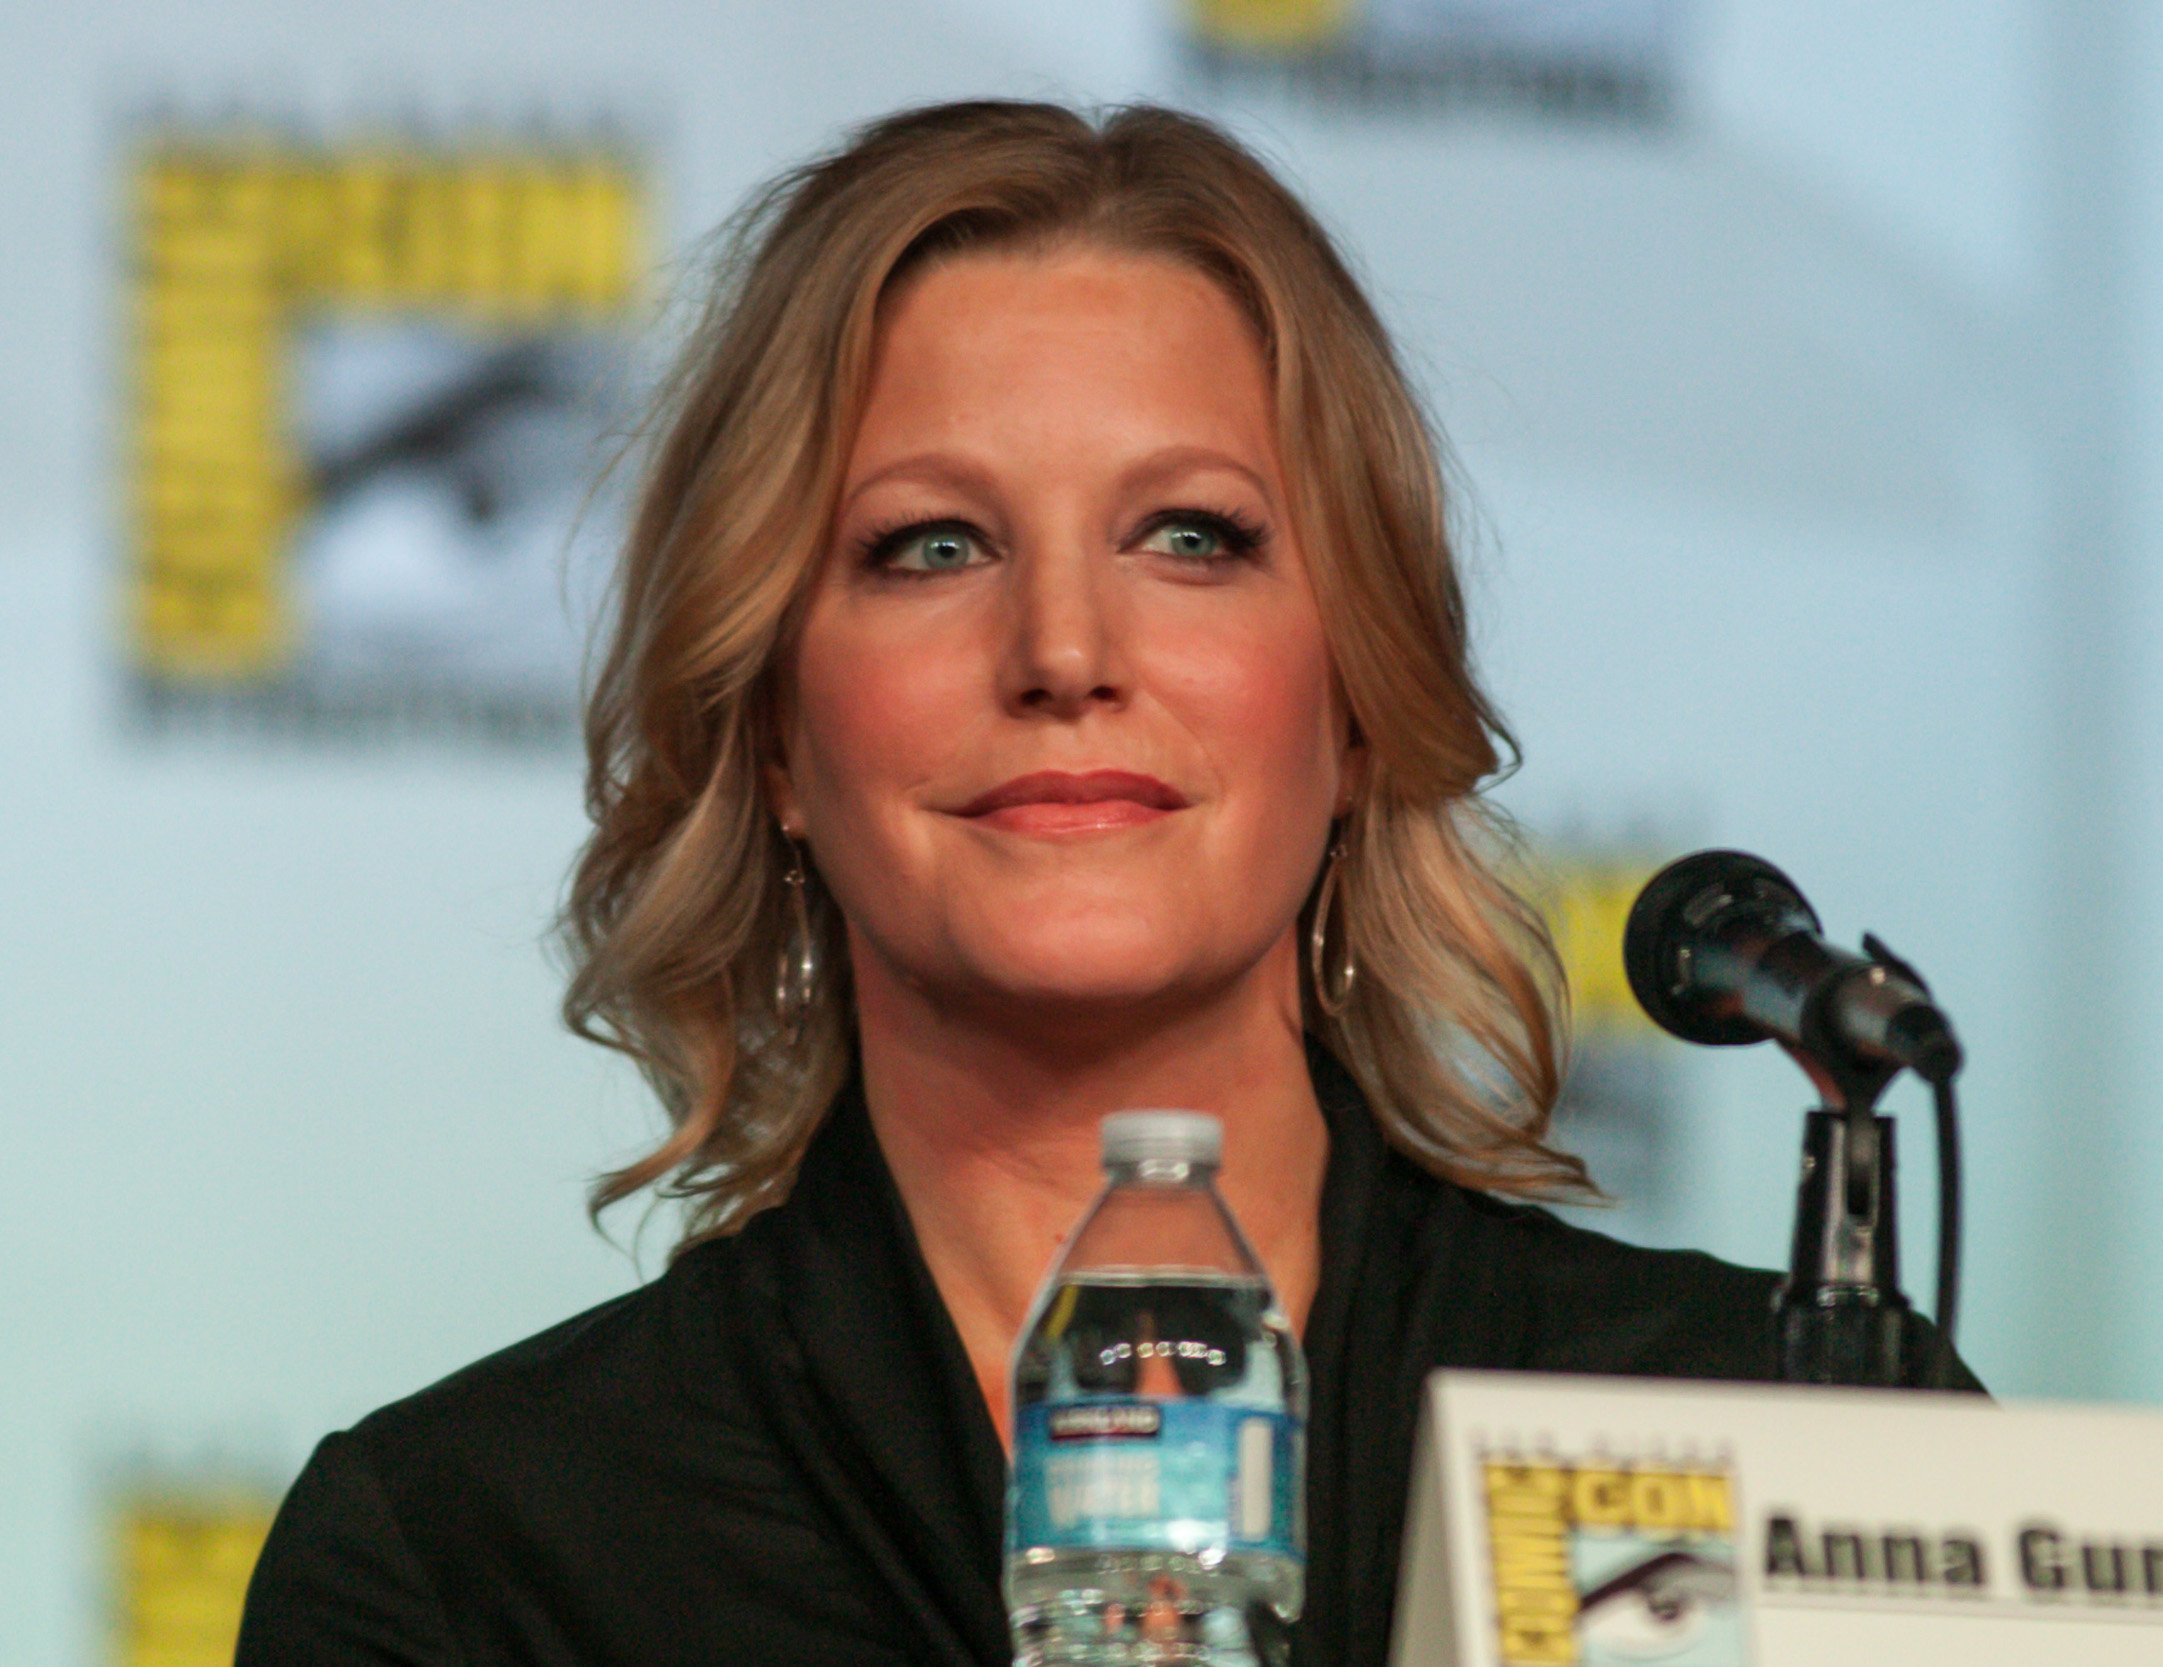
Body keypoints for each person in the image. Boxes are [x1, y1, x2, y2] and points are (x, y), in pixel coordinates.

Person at [237, 99, 1973, 1667]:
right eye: (933, 546)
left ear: (1359, 701)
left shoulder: (1769, 1441)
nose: (1066, 649)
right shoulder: (471, 1561)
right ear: (769, 729)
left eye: (1191, 539)